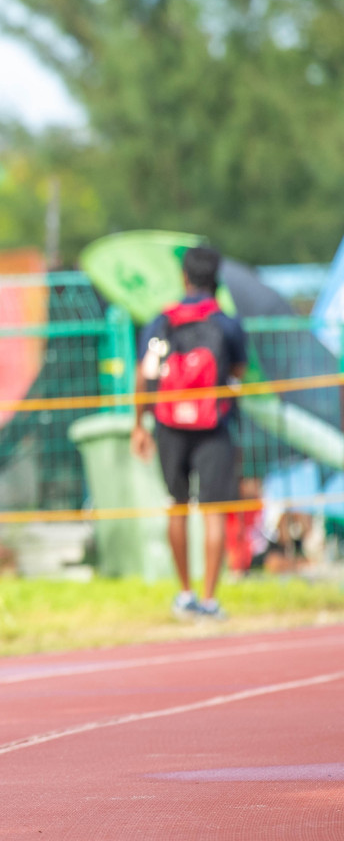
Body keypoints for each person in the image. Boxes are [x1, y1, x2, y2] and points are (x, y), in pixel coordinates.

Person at [131, 245, 247, 621]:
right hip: (214, 426)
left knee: (176, 507)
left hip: (169, 426)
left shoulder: (162, 321)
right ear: (217, 279)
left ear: (184, 277)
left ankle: (184, 593)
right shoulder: (226, 324)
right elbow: (239, 373)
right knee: (213, 513)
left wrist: (139, 424)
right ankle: (210, 599)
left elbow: (145, 373)